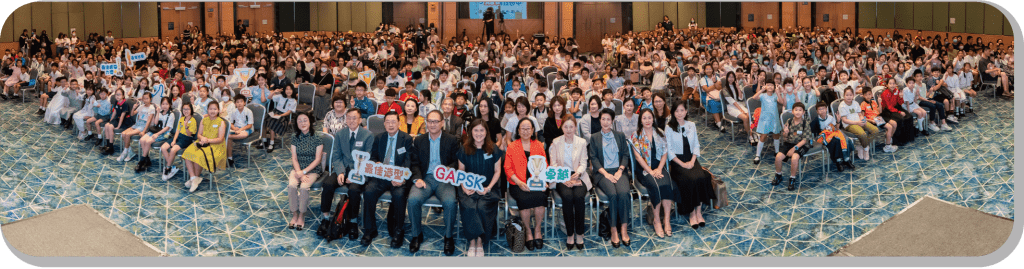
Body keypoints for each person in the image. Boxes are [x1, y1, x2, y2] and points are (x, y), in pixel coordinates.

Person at [407, 110, 460, 255]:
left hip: (445, 179)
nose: (432, 124)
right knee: (412, 200)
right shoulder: (419, 140)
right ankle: (416, 235)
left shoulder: (451, 140)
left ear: (442, 123)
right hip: (426, 178)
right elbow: (415, 163)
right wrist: (417, 179)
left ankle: (448, 237)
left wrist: (449, 169)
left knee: (450, 202)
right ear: (426, 122)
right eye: (430, 121)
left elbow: (457, 161)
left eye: (436, 121)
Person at [360, 112, 415, 248]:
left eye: (393, 122)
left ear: (399, 123)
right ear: (384, 124)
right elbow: (372, 157)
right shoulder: (379, 138)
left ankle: (398, 230)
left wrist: (401, 178)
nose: (390, 125)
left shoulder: (406, 139)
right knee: (368, 192)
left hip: (397, 176)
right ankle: (370, 229)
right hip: (381, 175)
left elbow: (409, 162)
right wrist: (375, 163)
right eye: (388, 122)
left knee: (399, 195)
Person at [325, 108, 375, 241]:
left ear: (360, 120)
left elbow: (368, 159)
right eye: (349, 118)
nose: (351, 121)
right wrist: (341, 172)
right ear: (345, 119)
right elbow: (336, 156)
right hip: (343, 167)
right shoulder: (341, 134)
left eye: (354, 118)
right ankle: (325, 219)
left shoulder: (368, 135)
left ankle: (353, 221)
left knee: (354, 190)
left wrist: (353, 175)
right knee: (328, 184)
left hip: (359, 171)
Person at [665, 101, 715, 229]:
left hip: (691, 159)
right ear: (673, 113)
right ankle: (692, 213)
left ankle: (699, 212)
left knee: (702, 177)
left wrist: (692, 161)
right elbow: (669, 150)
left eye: (682, 110)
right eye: (677, 111)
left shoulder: (691, 125)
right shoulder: (669, 127)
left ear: (686, 111)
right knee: (690, 180)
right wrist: (682, 164)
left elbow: (696, 144)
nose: (680, 113)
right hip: (677, 162)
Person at [457, 119, 503, 257]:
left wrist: (488, 188)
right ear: (471, 131)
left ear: (486, 132)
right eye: (475, 130)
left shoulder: (494, 148)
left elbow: (497, 171)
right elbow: (461, 171)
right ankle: (472, 241)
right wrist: (464, 187)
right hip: (468, 187)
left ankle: (480, 241)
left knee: (482, 206)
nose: (478, 133)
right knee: (470, 206)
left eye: (481, 130)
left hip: (489, 188)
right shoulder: (464, 148)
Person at [630, 108, 677, 238]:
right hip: (644, 169)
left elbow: (664, 153)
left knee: (667, 185)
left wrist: (660, 169)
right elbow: (638, 157)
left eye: (649, 117)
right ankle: (656, 220)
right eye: (644, 118)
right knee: (656, 187)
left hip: (659, 167)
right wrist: (650, 171)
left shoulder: (660, 132)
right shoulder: (636, 135)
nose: (647, 120)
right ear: (640, 120)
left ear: (653, 119)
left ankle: (666, 220)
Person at [589, 108, 632, 248]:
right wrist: (606, 174)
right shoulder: (594, 137)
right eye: (603, 119)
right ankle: (613, 230)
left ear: (612, 121)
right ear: (600, 120)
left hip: (619, 171)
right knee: (612, 195)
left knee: (624, 193)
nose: (606, 122)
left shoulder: (619, 135)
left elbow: (625, 155)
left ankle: (624, 229)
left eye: (608, 119)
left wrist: (620, 171)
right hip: (602, 173)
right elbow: (594, 159)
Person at [503, 118, 548, 251]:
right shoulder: (512, 146)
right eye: (523, 128)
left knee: (541, 199)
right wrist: (519, 182)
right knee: (524, 200)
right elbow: (507, 168)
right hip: (518, 183)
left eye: (528, 128)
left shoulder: (539, 145)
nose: (526, 131)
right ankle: (528, 231)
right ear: (518, 130)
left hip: (536, 182)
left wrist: (544, 180)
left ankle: (538, 230)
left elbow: (545, 164)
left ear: (533, 130)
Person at [547, 115, 590, 250]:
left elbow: (584, 162)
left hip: (578, 175)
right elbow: (553, 164)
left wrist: (579, 172)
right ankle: (570, 234)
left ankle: (579, 233)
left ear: (575, 127)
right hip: (561, 175)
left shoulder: (581, 142)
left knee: (578, 197)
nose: (569, 129)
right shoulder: (556, 142)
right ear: (562, 127)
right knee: (567, 197)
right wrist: (563, 177)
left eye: (571, 126)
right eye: (566, 126)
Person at [285, 112, 324, 231]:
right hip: (297, 168)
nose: (303, 123)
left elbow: (318, 159)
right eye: (300, 121)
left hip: (312, 169)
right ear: (296, 124)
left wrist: (304, 172)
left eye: (305, 120)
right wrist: (299, 172)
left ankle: (301, 215)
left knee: (303, 187)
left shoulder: (317, 137)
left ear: (310, 121)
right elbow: (294, 158)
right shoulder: (294, 137)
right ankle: (294, 214)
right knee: (291, 186)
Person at [180, 101, 228, 192]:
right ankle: (194, 178)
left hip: (215, 146)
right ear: (207, 110)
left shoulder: (221, 122)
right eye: (210, 109)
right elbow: (199, 134)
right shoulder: (204, 120)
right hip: (202, 142)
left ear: (218, 110)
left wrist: (207, 140)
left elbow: (220, 139)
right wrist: (202, 139)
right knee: (187, 153)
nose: (212, 111)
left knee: (198, 156)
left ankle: (195, 179)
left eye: (215, 109)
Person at [775, 102, 812, 191]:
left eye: (800, 110)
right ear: (792, 111)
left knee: (794, 158)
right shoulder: (789, 121)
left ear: (803, 112)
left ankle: (792, 178)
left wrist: (794, 149)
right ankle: (778, 175)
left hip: (802, 144)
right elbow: (784, 137)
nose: (798, 112)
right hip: (789, 142)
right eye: (796, 110)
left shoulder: (805, 123)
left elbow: (804, 140)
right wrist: (785, 133)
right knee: (778, 157)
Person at [810, 102, 856, 172]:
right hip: (825, 137)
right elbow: (813, 131)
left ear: (826, 109)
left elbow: (837, 128)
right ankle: (838, 161)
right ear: (817, 112)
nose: (822, 110)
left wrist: (838, 121)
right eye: (820, 109)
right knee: (836, 142)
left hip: (834, 133)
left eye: (823, 108)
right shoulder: (816, 120)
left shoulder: (830, 117)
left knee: (846, 139)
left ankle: (846, 159)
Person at [135, 97, 176, 173]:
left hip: (165, 133)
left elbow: (167, 128)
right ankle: (146, 160)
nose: (164, 106)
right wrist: (157, 112)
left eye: (166, 104)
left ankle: (142, 161)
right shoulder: (160, 112)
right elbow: (156, 123)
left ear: (170, 105)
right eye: (163, 104)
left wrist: (157, 134)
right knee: (142, 140)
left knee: (148, 141)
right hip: (156, 130)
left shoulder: (171, 114)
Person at [838, 87, 879, 161]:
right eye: (847, 95)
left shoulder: (855, 103)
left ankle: (861, 146)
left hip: (859, 121)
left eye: (850, 95)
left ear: (853, 95)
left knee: (875, 130)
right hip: (849, 125)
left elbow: (860, 114)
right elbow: (844, 120)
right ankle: (866, 149)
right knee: (863, 134)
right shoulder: (842, 105)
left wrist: (862, 119)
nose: (849, 97)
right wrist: (857, 123)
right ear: (843, 96)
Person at [161, 103, 198, 180]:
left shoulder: (193, 121)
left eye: (187, 109)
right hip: (179, 136)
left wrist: (186, 126)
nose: (185, 111)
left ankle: (168, 168)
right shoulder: (181, 119)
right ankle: (171, 166)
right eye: (184, 109)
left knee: (173, 149)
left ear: (191, 110)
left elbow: (190, 134)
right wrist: (174, 140)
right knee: (163, 147)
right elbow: (178, 130)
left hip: (187, 139)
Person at [751, 81, 782, 164]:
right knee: (763, 136)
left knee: (776, 135)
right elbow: (754, 97)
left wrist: (778, 93)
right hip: (765, 119)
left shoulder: (775, 95)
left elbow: (782, 102)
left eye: (772, 85)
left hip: (774, 119)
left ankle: (777, 151)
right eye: (768, 85)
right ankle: (757, 155)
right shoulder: (763, 95)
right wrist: (761, 90)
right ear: (765, 86)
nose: (770, 87)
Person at [860, 87, 899, 153]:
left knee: (894, 123)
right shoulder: (863, 104)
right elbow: (862, 117)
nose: (868, 96)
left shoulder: (874, 102)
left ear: (872, 94)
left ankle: (888, 139)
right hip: (873, 120)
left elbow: (880, 112)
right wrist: (871, 121)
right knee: (889, 127)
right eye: (866, 94)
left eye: (869, 94)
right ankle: (887, 146)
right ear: (863, 95)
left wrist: (879, 103)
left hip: (879, 117)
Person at [262, 84, 297, 153]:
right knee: (264, 120)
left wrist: (280, 115)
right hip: (275, 112)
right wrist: (274, 92)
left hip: (284, 116)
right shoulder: (281, 96)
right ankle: (264, 140)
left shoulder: (293, 101)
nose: (288, 91)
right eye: (287, 89)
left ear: (293, 91)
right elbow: (269, 97)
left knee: (273, 122)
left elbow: (289, 112)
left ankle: (271, 143)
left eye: (290, 89)